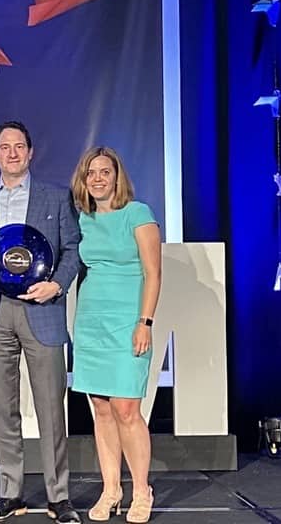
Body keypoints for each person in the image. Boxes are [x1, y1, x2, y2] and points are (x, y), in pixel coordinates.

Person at [0, 121, 82, 523]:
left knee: (50, 407)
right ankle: (10, 493)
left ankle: (58, 496)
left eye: (19, 146)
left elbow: (73, 249)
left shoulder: (56, 197)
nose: (12, 153)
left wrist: (57, 287)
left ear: (30, 153)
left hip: (41, 311)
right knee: (1, 409)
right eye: (4, 147)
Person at [69, 147, 162, 524]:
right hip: (91, 320)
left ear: (117, 176)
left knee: (127, 408)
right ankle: (111, 490)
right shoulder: (83, 219)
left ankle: (142, 490)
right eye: (91, 173)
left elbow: (153, 273)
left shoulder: (138, 214)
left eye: (104, 172)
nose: (97, 178)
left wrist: (145, 322)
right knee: (102, 409)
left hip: (128, 320)